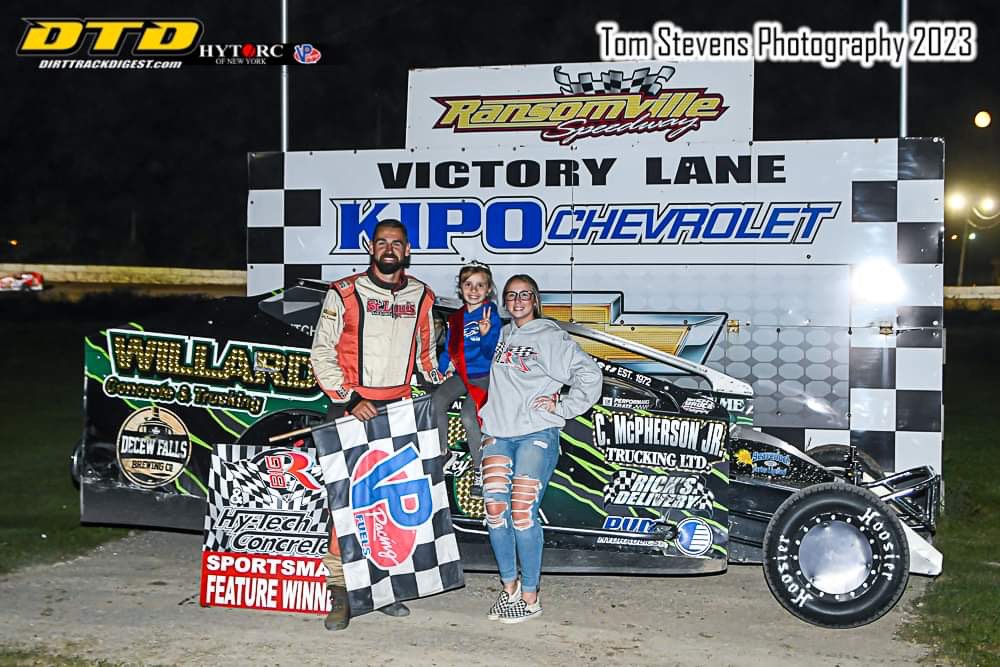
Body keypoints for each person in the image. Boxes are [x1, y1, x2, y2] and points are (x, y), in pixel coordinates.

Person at [310, 218, 442, 631]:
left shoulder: (422, 295)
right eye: (382, 242)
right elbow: (321, 353)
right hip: (352, 407)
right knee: (345, 503)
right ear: (372, 249)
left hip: (398, 409)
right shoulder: (344, 292)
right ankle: (340, 593)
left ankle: (383, 588)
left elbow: (427, 356)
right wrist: (350, 399)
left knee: (390, 502)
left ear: (407, 250)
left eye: (396, 243)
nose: (389, 249)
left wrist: (463, 382)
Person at [478, 274, 602, 623]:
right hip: (498, 432)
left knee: (521, 512)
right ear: (504, 301)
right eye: (511, 295)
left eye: (525, 294)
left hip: (536, 432)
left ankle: (531, 597)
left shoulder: (550, 337)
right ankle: (510, 589)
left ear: (535, 300)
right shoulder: (500, 334)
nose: (517, 301)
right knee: (494, 511)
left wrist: (562, 406)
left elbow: (590, 375)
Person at [433, 261, 502, 495]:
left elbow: (489, 353)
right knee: (436, 402)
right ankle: (442, 453)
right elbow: (448, 350)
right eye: (468, 284)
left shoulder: (490, 314)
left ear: (488, 289)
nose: (474, 290)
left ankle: (479, 470)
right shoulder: (456, 318)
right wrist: (441, 369)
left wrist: (485, 334)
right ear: (460, 288)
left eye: (480, 285)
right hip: (462, 374)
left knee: (469, 416)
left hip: (484, 377)